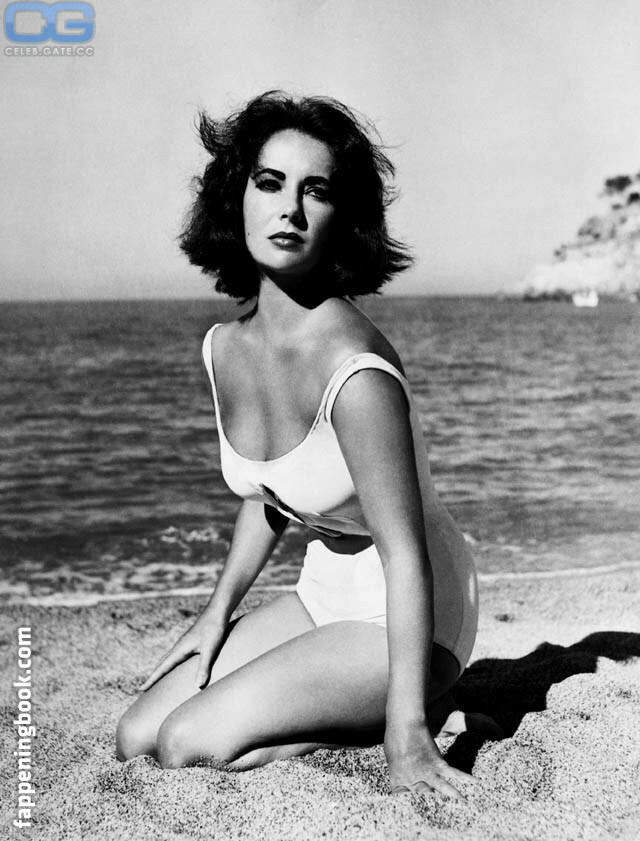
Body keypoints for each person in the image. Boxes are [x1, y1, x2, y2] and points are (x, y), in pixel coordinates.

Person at [115, 91, 482, 800]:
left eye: (316, 190)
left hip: (415, 615)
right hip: (323, 594)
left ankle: (412, 710)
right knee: (138, 735)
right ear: (236, 199)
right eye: (270, 182)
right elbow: (270, 494)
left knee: (188, 742)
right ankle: (350, 708)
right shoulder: (224, 347)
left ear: (342, 217)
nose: (290, 209)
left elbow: (405, 555)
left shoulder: (356, 371)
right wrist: (216, 613)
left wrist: (406, 732)